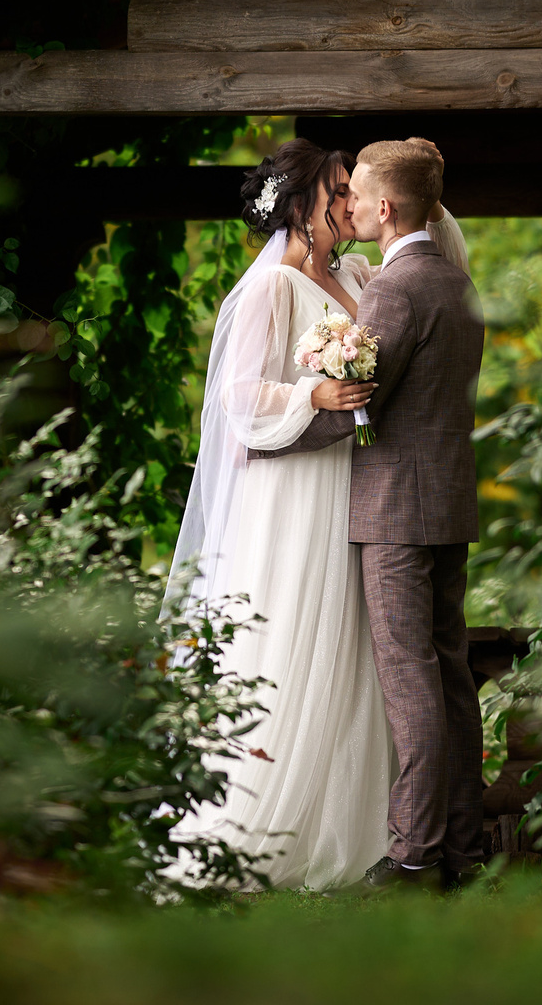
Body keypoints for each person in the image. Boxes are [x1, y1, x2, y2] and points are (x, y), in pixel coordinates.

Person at [165, 139, 392, 888]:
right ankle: (257, 822)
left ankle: (353, 822)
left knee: (351, 636)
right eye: (338, 191)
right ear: (300, 207)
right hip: (294, 488)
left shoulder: (358, 273)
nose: (352, 203)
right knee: (297, 627)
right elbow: (238, 399)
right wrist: (312, 395)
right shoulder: (272, 289)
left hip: (350, 479)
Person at [272, 137, 485, 893]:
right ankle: (464, 848)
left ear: (385, 209)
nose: (350, 207)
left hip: (397, 512)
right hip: (450, 504)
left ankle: (414, 856)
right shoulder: (457, 283)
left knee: (410, 681)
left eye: (357, 197)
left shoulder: (395, 290)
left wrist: (276, 434)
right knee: (451, 678)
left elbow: (363, 400)